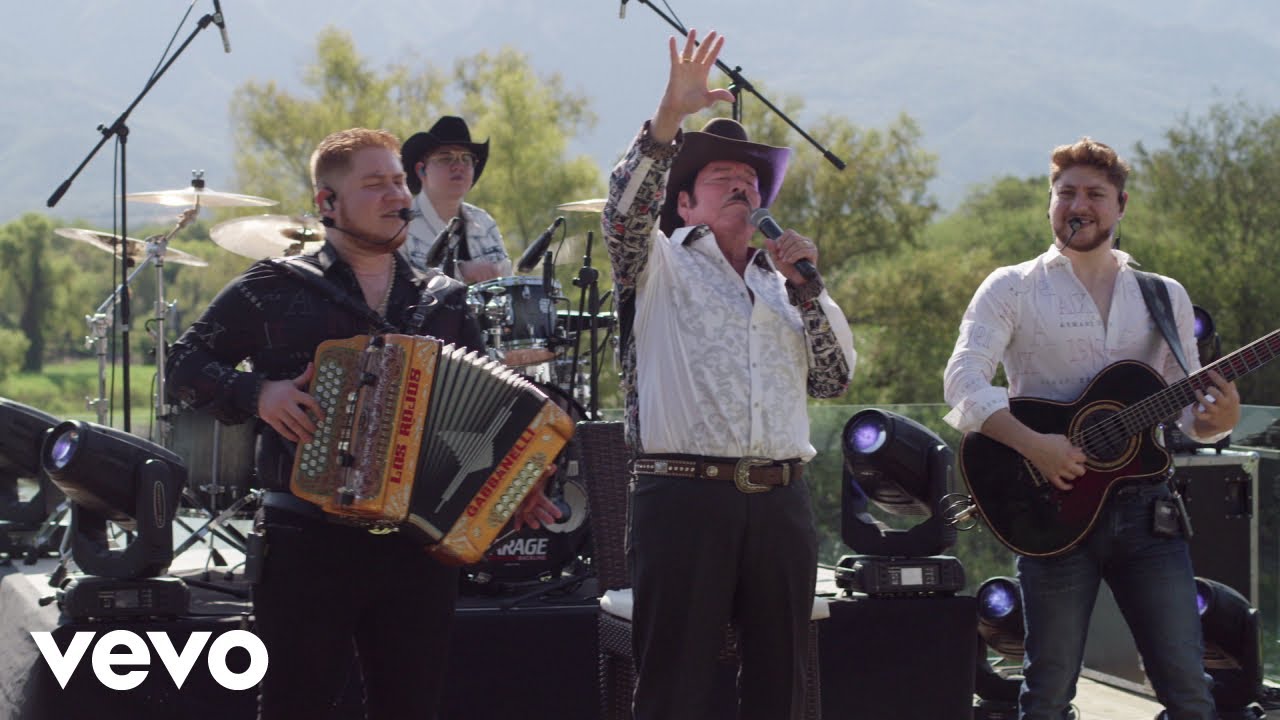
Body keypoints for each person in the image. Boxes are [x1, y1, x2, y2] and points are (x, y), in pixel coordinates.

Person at [166, 127, 559, 719]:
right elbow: (184, 364)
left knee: (411, 707)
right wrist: (259, 392)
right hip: (306, 537)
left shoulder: (441, 298)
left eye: (399, 180)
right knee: (296, 704)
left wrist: (511, 487)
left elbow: (488, 416)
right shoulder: (274, 286)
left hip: (414, 547)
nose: (395, 194)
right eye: (374, 184)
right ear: (328, 203)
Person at [600, 31, 856, 720]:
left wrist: (808, 288)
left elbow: (834, 379)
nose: (743, 186)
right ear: (684, 205)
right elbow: (622, 217)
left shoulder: (789, 285)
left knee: (781, 691)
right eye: (722, 179)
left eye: (752, 181)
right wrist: (668, 120)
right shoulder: (658, 263)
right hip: (684, 499)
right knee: (673, 690)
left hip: (781, 503)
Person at [943, 137, 1240, 719]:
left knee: (1187, 686)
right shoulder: (1012, 286)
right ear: (1049, 203)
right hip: (1049, 508)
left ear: (1121, 206)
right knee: (1049, 689)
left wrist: (1218, 420)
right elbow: (962, 381)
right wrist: (1037, 446)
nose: (1079, 205)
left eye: (1094, 195)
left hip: (1149, 513)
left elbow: (1188, 415)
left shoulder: (1163, 295)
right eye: (1066, 193)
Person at [400, 115, 512, 284]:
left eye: (466, 158)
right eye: (446, 158)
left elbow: (508, 286)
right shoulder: (401, 225)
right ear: (421, 170)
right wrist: (459, 272)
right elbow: (400, 288)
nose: (458, 166)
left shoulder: (485, 223)